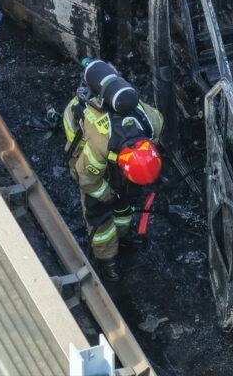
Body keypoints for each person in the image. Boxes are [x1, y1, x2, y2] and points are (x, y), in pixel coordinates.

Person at [62, 59, 164, 281]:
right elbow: (86, 177)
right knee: (99, 213)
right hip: (80, 139)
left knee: (125, 200)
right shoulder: (100, 146)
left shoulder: (150, 123)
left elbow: (158, 124)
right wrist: (107, 195)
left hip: (114, 151)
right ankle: (107, 258)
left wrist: (123, 192)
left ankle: (123, 235)